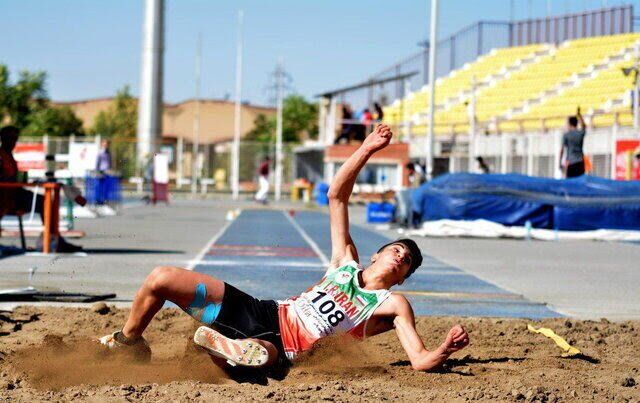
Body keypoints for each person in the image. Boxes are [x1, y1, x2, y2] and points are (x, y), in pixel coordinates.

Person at [97, 124, 470, 376]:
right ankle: (130, 341)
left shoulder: (391, 304)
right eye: (397, 249)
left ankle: (231, 352)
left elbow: (420, 359)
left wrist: (444, 350)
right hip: (263, 310)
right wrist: (367, 148)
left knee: (262, 354)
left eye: (408, 261)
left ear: (404, 277)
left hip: (288, 346)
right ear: (376, 254)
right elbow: (336, 195)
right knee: (161, 278)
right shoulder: (344, 262)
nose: (401, 256)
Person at [0, 126, 82, 252]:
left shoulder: (9, 156)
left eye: (15, 139)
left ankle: (55, 239)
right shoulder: (1, 156)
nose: (13, 142)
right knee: (45, 202)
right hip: (6, 198)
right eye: (10, 138)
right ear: (3, 138)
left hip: (15, 193)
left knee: (48, 201)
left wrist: (23, 181)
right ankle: (54, 241)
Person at [559, 107, 587, 178]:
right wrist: (579, 115)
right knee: (580, 183)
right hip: (580, 163)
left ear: (570, 124)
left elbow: (562, 150)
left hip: (570, 163)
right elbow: (584, 126)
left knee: (570, 185)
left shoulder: (566, 135)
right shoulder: (580, 133)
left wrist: (559, 162)